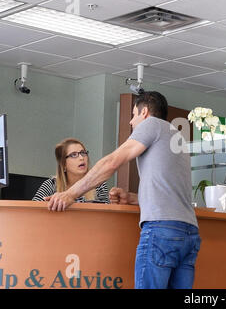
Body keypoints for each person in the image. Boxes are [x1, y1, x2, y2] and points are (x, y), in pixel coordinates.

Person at [45, 91, 200, 289]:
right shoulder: (176, 137)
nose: (131, 122)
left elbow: (111, 163)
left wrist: (70, 194)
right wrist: (132, 198)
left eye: (134, 115)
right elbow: (169, 193)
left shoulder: (151, 125)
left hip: (162, 231)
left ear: (144, 112)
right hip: (188, 233)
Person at [32, 138, 109, 203]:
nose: (81, 158)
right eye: (74, 155)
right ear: (63, 164)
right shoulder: (51, 184)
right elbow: (32, 211)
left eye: (83, 153)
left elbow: (105, 214)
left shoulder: (99, 184)